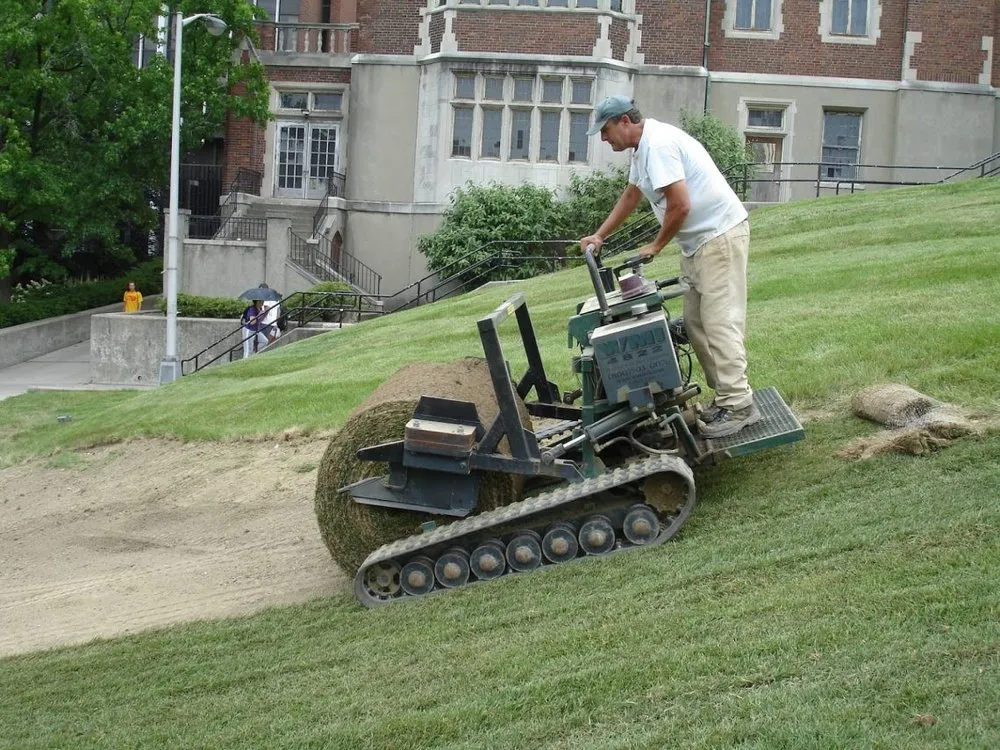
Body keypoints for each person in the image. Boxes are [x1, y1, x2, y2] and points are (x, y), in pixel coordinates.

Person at [580, 95, 759, 439]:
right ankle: (725, 400)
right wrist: (599, 235)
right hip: (698, 243)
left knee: (720, 323)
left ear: (624, 121)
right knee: (696, 324)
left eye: (605, 131)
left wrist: (657, 246)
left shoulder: (658, 145)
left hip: (718, 236)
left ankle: (739, 404)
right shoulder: (643, 149)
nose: (604, 139)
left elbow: (680, 205)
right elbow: (632, 195)